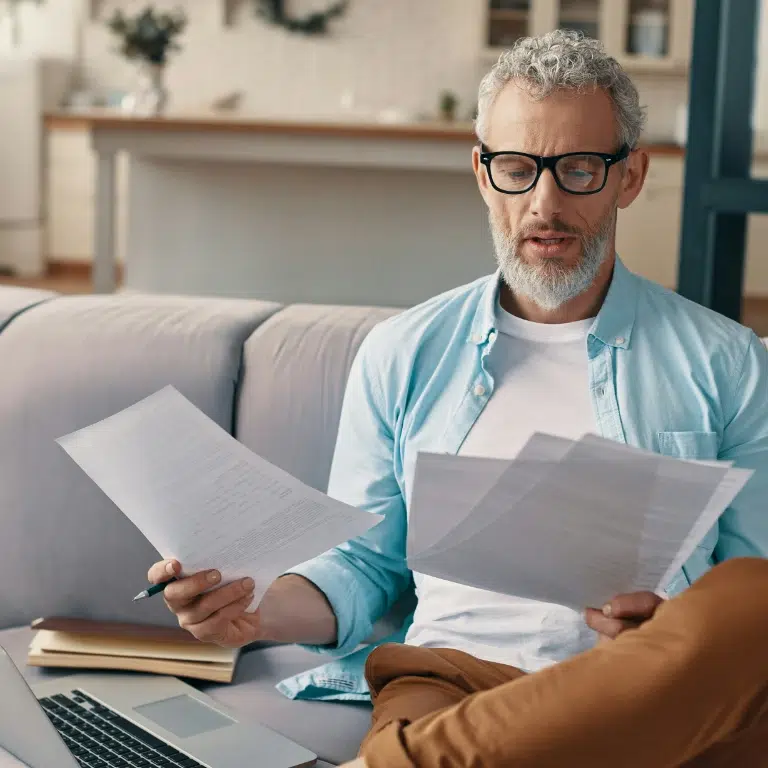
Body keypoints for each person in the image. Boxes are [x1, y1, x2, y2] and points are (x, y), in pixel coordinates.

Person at [148, 31, 768, 767]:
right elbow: (364, 566)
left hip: (633, 689)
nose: (545, 202)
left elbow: (744, 594)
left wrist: (665, 632)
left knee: (754, 598)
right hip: (450, 681)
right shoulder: (403, 353)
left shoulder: (731, 363)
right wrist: (253, 611)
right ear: (482, 172)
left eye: (578, 169)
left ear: (629, 177)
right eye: (516, 167)